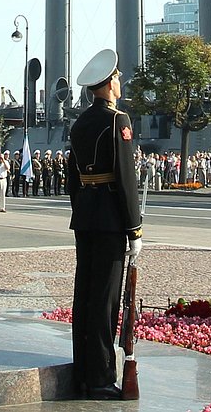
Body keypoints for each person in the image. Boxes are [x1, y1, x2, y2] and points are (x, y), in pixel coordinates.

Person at [68, 49, 142, 400]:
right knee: (105, 300)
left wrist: (82, 207)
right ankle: (99, 377)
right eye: (118, 78)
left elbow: (72, 178)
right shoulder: (118, 120)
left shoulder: (79, 122)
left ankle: (82, 369)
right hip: (112, 219)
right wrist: (134, 228)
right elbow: (126, 178)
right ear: (109, 84)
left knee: (84, 295)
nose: (120, 82)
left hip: (85, 215)